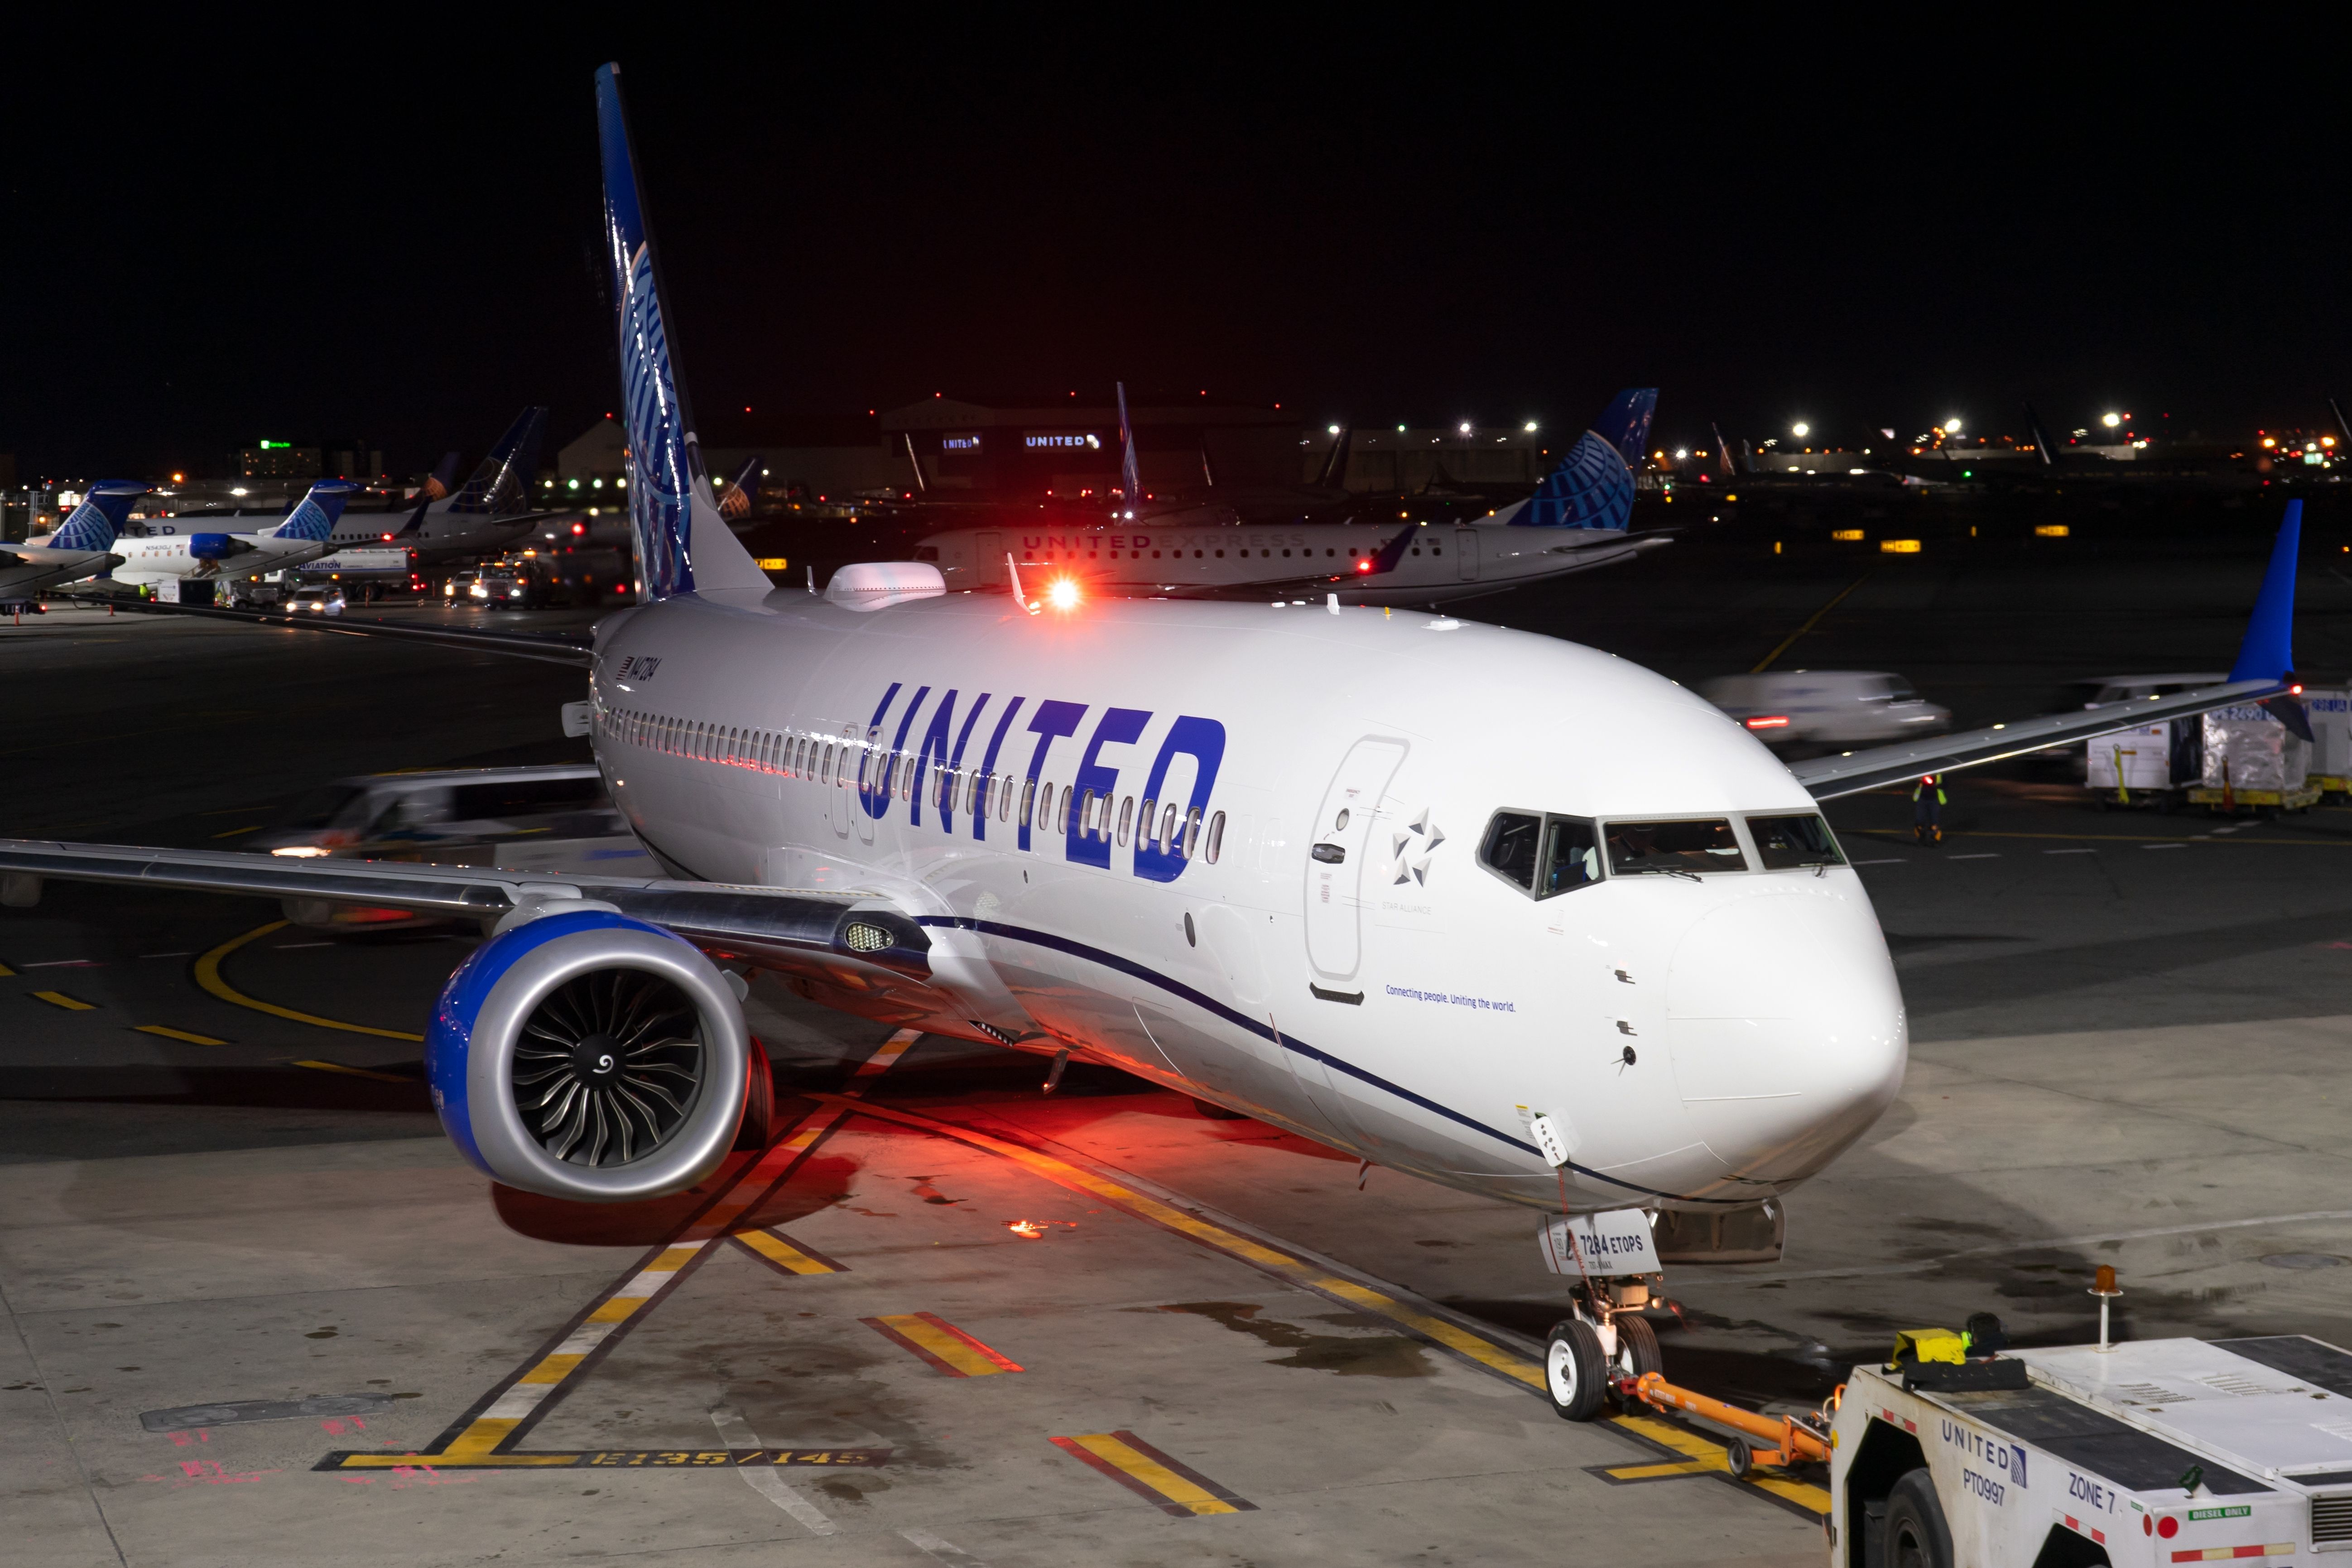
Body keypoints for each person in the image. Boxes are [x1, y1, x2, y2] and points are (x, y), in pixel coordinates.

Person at [1913, 773, 1945, 846]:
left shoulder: (1939, 773)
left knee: (1934, 822)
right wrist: (1919, 782)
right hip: (1922, 799)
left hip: (1934, 799)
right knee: (1919, 822)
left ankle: (1934, 840)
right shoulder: (1922, 771)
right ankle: (1921, 838)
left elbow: (1946, 784)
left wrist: (1937, 786)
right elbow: (1914, 781)